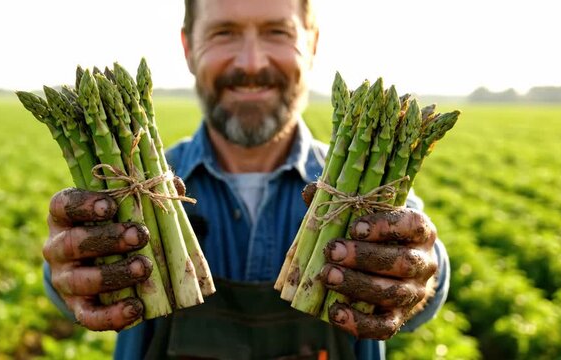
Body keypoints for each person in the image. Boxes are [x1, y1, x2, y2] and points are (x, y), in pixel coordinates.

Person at [42, 0, 450, 358]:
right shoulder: (126, 183)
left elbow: (424, 260)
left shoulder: (366, 192)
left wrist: (416, 278)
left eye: (277, 32)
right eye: (224, 33)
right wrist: (72, 274)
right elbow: (70, 275)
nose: (251, 63)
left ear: (312, 45)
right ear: (188, 47)